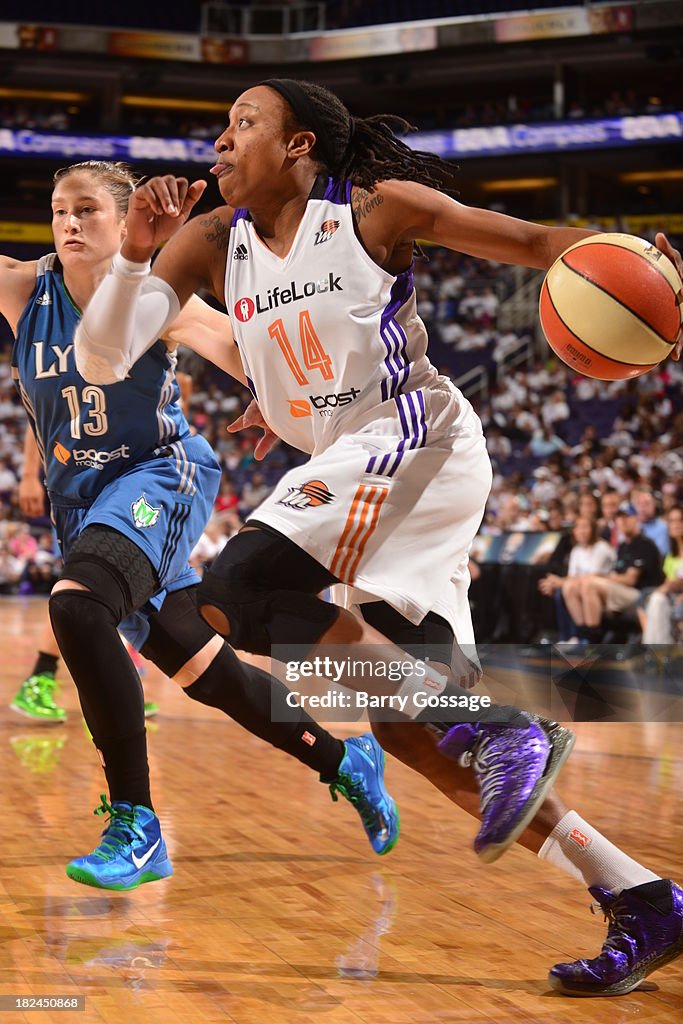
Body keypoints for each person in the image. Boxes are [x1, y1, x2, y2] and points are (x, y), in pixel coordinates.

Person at [75, 81, 683, 995]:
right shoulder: (209, 241)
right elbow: (102, 356)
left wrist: (633, 256)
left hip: (416, 441)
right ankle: (640, 897)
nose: (221, 140)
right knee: (410, 733)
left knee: (225, 596)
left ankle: (499, 729)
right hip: (363, 465)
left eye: (244, 123)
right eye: (222, 125)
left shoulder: (371, 212)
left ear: (299, 145)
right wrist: (131, 257)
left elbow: (526, 241)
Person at [2, 158, 402, 892]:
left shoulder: (162, 301)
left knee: (76, 607)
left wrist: (267, 393)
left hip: (158, 476)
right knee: (206, 673)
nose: (68, 224)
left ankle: (136, 823)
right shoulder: (24, 287)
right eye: (59, 210)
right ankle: (345, 760)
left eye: (86, 210)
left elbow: (250, 353)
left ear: (126, 224)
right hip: (84, 504)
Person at [10, 427, 159, 721]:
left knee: (98, 588)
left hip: (119, 479)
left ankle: (113, 693)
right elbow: (34, 408)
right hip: (81, 480)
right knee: (82, 588)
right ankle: (42, 680)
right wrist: (29, 475)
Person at [566, 502, 664, 644]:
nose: (623, 521)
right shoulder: (623, 546)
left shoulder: (644, 544)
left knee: (590, 584)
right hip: (622, 591)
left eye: (627, 517)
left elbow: (630, 580)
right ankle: (584, 637)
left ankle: (593, 641)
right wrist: (611, 578)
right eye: (619, 518)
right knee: (575, 586)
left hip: (641, 595)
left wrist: (602, 577)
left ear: (635, 519)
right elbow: (617, 575)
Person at [538, 515, 616, 644]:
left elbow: (592, 576)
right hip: (582, 586)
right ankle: (574, 637)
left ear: (592, 529)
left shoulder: (601, 547)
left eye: (585, 527)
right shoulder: (576, 550)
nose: (581, 531)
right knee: (561, 590)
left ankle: (584, 637)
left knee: (569, 588)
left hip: (603, 588)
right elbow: (573, 577)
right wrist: (556, 582)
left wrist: (560, 582)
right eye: (578, 527)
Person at [639, 505, 683, 645]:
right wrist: (664, 588)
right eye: (672, 521)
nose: (676, 525)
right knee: (649, 598)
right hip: (673, 596)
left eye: (680, 520)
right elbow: (669, 582)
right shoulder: (671, 555)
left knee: (657, 600)